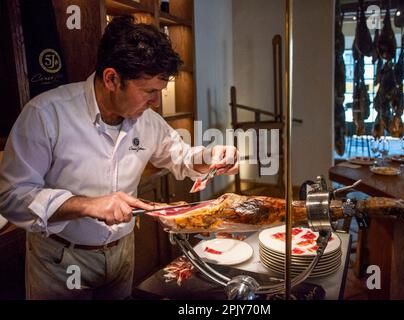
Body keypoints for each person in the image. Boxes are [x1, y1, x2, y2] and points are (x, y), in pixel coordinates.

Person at [0, 15, 238, 300]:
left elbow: (180, 156)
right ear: (112, 78)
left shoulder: (147, 120)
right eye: (149, 92)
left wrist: (209, 156)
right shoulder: (46, 114)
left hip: (123, 252)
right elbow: (12, 196)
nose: (156, 103)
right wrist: (87, 205)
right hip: (61, 259)